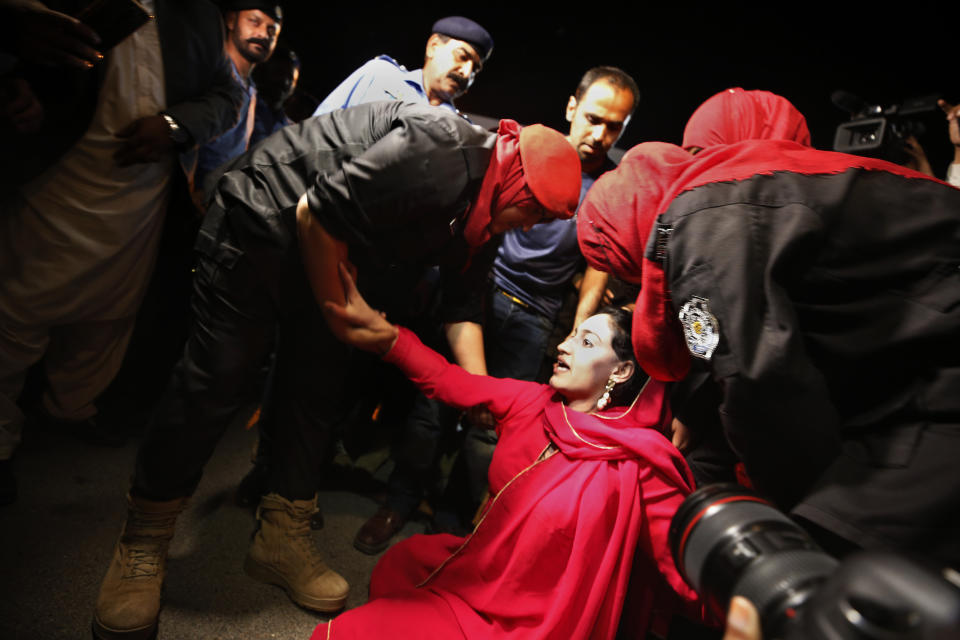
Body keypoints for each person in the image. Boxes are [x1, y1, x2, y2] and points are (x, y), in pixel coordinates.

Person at [91, 100, 580, 639]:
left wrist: (484, 397)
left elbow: (462, 307)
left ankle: (280, 537)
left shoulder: (484, 216)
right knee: (217, 378)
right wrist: (339, 317)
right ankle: (144, 539)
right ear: (516, 181)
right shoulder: (445, 148)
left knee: (319, 387)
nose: (530, 227)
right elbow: (314, 211)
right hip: (263, 218)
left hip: (330, 253)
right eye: (533, 213)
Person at [577, 88, 960, 566]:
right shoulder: (732, 181)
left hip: (938, 365)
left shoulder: (696, 228)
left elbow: (754, 378)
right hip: (927, 352)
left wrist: (787, 499)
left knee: (835, 541)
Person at [307, 263, 703, 639]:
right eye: (571, 334)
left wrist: (748, 606)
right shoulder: (533, 401)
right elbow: (449, 380)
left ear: (620, 371)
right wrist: (388, 338)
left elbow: (687, 564)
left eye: (586, 342)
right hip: (482, 576)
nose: (563, 346)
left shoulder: (637, 463)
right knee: (401, 563)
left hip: (535, 623)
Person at [0, 0, 244, 505]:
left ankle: (68, 408)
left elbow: (227, 95)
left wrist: (175, 124)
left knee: (110, 314)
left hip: (140, 197)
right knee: (14, 312)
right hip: (54, 175)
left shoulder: (196, 12)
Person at [313, 15, 492, 116]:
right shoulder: (380, 75)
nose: (466, 72)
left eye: (475, 70)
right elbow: (316, 129)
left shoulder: (458, 127)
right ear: (433, 47)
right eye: (462, 56)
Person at [194, 0, 282, 194]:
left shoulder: (250, 89)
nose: (263, 35)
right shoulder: (208, 69)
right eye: (254, 22)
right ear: (231, 20)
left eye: (272, 31)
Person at [250, 44, 299, 145]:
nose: (285, 82)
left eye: (291, 79)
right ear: (262, 71)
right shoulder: (242, 108)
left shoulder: (291, 130)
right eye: (279, 72)